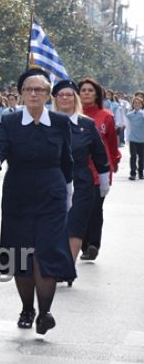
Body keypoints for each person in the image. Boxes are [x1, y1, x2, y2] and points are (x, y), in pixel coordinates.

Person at [0, 68, 74, 335]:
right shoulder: (10, 121)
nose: (33, 94)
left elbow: (66, 159)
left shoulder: (60, 122)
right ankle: (27, 308)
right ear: (21, 94)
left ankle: (45, 312)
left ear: (49, 95)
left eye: (39, 90)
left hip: (52, 195)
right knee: (22, 254)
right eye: (28, 89)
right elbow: (1, 146)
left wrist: (68, 189)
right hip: (18, 195)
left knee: (46, 252)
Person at [52, 80, 109, 275]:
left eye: (69, 95)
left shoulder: (87, 124)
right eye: (61, 95)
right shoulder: (46, 122)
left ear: (75, 98)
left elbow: (100, 154)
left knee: (75, 224)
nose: (65, 98)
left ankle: (67, 265)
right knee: (54, 223)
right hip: (53, 180)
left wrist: (103, 180)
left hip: (81, 181)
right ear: (56, 99)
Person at [78, 78, 120, 261]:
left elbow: (112, 144)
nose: (86, 93)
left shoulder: (106, 116)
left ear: (97, 94)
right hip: (78, 170)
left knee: (96, 208)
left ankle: (92, 244)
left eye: (90, 90)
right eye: (83, 90)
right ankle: (82, 242)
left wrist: (114, 161)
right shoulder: (71, 116)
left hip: (100, 171)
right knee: (80, 208)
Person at [126, 96, 144, 180]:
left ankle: (141, 173)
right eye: (135, 103)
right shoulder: (129, 115)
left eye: (139, 103)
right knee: (133, 156)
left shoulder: (143, 114)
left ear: (141, 105)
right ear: (132, 104)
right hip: (133, 138)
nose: (137, 104)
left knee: (142, 157)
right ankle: (133, 173)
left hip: (142, 139)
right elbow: (128, 126)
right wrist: (127, 138)